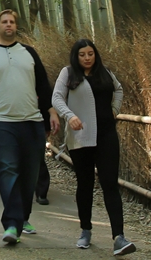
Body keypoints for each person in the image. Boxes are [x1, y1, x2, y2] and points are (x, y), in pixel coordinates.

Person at [0, 9, 59, 245]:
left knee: (30, 172)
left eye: (12, 22)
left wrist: (50, 111)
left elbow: (42, 83)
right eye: (4, 22)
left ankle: (22, 217)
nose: (8, 25)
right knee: (7, 168)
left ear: (16, 26)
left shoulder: (29, 52)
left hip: (31, 119)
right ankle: (11, 223)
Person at [52, 39, 136, 256]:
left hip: (107, 134)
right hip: (81, 137)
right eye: (82, 54)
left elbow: (119, 89)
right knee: (85, 183)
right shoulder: (68, 73)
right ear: (75, 56)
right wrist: (69, 116)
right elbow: (56, 98)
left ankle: (119, 237)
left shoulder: (104, 72)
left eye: (90, 53)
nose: (87, 58)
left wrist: (115, 110)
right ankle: (85, 229)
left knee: (110, 183)